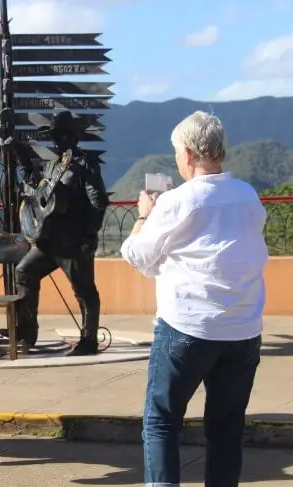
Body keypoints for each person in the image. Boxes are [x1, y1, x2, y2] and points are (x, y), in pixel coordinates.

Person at [120, 111, 268, 486]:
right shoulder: (249, 196)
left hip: (186, 328)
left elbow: (139, 257)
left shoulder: (175, 201)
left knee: (161, 423)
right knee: (226, 430)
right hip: (243, 330)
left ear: (187, 153)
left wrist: (143, 218)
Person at [0, 110, 109, 356]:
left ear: (75, 137)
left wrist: (90, 235)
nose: (60, 141)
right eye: (56, 136)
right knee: (24, 271)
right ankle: (27, 331)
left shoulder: (85, 165)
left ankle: (89, 340)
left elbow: (98, 201)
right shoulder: (51, 167)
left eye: (65, 135)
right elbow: (35, 187)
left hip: (75, 243)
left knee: (84, 290)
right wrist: (18, 151)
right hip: (48, 241)